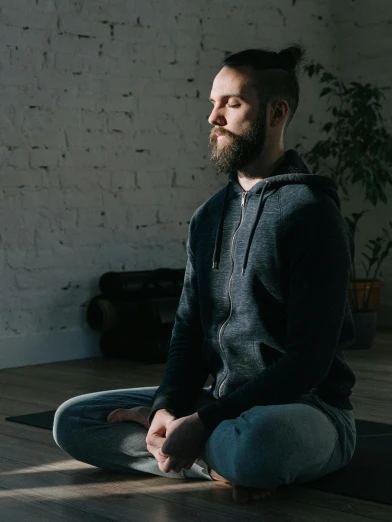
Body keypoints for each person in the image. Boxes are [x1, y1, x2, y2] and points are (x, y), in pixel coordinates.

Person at [53, 45, 358, 504]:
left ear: (277, 112)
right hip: (217, 403)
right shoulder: (208, 217)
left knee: (257, 445)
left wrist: (203, 422)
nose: (214, 117)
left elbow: (309, 363)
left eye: (231, 104)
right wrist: (166, 406)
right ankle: (210, 456)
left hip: (304, 410)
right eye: (212, 104)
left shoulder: (311, 213)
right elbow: (187, 329)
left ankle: (210, 454)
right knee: (72, 421)